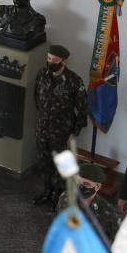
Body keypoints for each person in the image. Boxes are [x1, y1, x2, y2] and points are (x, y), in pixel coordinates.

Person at [32, 44, 88, 209]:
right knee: (44, 161)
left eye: (55, 60)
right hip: (42, 127)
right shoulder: (42, 74)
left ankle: (58, 194)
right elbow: (37, 97)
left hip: (61, 131)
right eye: (49, 59)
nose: (50, 62)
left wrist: (74, 132)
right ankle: (47, 191)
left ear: (64, 61)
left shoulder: (74, 80)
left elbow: (83, 108)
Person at [57, 163, 122, 240]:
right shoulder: (65, 197)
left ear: (97, 187)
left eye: (86, 184)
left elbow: (117, 242)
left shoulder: (110, 213)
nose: (80, 187)